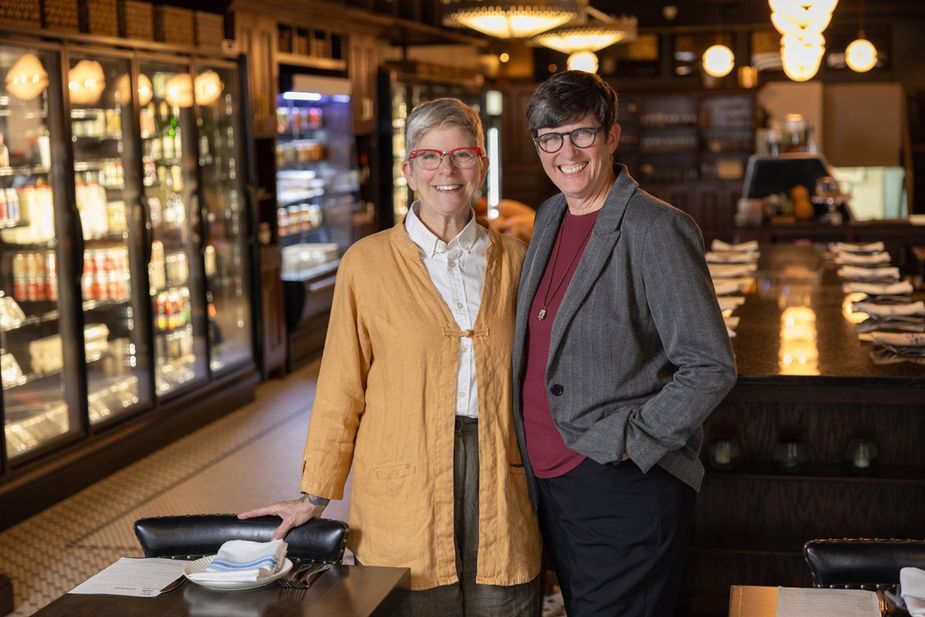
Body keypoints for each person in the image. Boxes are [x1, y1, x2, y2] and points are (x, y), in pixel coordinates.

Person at [240, 98, 540, 617]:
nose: (446, 171)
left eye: (462, 155)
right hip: (406, 481)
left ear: (482, 165)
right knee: (417, 598)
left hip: (501, 475)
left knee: (504, 598)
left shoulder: (516, 261)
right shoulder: (367, 263)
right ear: (408, 170)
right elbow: (341, 387)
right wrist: (315, 495)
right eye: (429, 157)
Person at [512, 70, 737, 617]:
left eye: (582, 133)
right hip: (549, 482)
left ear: (612, 136)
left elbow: (710, 365)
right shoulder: (548, 216)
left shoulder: (655, 228)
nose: (566, 151)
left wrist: (626, 442)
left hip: (621, 482)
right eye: (551, 137)